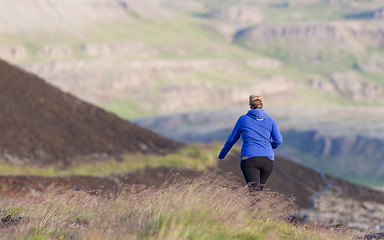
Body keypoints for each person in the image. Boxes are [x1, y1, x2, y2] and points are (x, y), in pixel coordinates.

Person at [218, 95, 282, 191]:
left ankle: (257, 205)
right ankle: (261, 206)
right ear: (262, 105)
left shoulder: (243, 119)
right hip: (268, 161)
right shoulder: (270, 120)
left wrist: (222, 155)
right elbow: (278, 140)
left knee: (254, 193)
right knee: (258, 191)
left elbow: (232, 139)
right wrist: (270, 146)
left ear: (250, 106)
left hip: (249, 159)